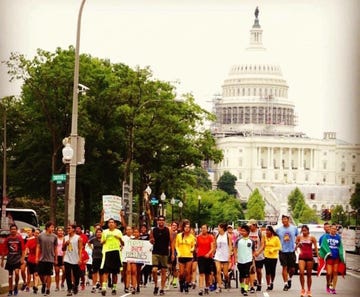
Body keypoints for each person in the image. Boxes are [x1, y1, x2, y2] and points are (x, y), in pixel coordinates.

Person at [318, 223, 345, 294]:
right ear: (330, 229)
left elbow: (340, 246)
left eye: (335, 229)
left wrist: (341, 255)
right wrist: (328, 252)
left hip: (336, 257)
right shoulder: (326, 237)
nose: (334, 230)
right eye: (333, 229)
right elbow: (323, 246)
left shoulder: (338, 237)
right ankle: (328, 284)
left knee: (335, 272)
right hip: (329, 257)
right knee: (329, 273)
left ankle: (333, 288)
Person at [100, 218, 124, 296]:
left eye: (112, 222)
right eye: (109, 222)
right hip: (107, 252)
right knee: (106, 271)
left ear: (115, 224)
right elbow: (101, 242)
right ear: (108, 224)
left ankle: (114, 288)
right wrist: (104, 240)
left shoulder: (118, 232)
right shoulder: (105, 232)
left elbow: (123, 243)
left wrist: (119, 238)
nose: (111, 224)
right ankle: (104, 288)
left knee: (115, 273)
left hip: (116, 252)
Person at [1, 224, 25, 296]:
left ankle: (16, 286)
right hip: (10, 259)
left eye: (14, 229)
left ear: (16, 230)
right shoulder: (8, 239)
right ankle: (10, 290)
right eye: (12, 229)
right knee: (10, 276)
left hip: (17, 259)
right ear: (10, 230)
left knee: (17, 273)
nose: (13, 230)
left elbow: (23, 250)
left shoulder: (19, 238)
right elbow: (4, 250)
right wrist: (2, 261)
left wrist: (22, 258)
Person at [276, 214, 298, 291]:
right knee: (284, 267)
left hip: (291, 251)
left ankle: (289, 279)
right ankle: (285, 284)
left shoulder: (294, 228)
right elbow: (276, 239)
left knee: (292, 269)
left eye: (285, 219)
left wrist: (297, 245)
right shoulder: (278, 230)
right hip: (282, 251)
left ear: (288, 220)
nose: (284, 221)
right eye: (283, 219)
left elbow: (298, 238)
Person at [149, 215, 170, 296]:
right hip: (155, 252)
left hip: (164, 252)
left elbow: (171, 241)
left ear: (164, 221)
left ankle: (162, 288)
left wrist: (172, 254)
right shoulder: (154, 230)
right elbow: (151, 239)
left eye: (162, 220)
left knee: (163, 271)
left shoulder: (168, 230)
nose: (161, 221)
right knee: (154, 270)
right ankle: (156, 286)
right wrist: (151, 240)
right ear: (157, 221)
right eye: (159, 220)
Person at [295, 225, 318, 297]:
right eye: (303, 230)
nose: (304, 232)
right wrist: (298, 245)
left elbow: (316, 248)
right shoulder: (299, 237)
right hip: (302, 257)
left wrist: (318, 257)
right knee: (301, 272)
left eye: (305, 230)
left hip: (309, 258)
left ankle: (309, 290)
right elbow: (295, 248)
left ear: (308, 231)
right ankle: (302, 289)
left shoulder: (312, 238)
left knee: (309, 274)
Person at [36, 221, 58, 296]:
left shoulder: (55, 236)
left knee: (49, 274)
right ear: (47, 227)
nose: (53, 228)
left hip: (50, 258)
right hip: (42, 258)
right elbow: (38, 247)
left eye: (53, 227)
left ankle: (48, 289)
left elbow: (55, 248)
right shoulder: (40, 236)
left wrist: (56, 258)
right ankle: (43, 283)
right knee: (40, 274)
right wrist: (36, 257)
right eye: (52, 227)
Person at [175, 219, 196, 293]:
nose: (187, 228)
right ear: (183, 228)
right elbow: (176, 245)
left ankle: (186, 285)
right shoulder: (179, 236)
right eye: (186, 227)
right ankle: (181, 282)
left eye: (188, 227)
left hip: (189, 256)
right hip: (181, 256)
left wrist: (192, 249)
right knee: (181, 273)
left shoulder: (192, 237)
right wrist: (178, 252)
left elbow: (194, 245)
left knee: (187, 271)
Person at [234, 224, 255, 296]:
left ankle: (246, 289)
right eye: (241, 231)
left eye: (244, 231)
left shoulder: (251, 240)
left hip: (248, 260)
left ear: (248, 232)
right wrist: (236, 258)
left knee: (247, 275)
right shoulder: (238, 240)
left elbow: (253, 251)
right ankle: (242, 287)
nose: (242, 232)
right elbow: (235, 249)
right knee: (241, 276)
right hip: (240, 260)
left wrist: (253, 261)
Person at [63, 224, 83, 296]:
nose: (68, 229)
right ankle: (69, 289)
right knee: (67, 274)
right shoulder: (65, 237)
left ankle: (76, 286)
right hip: (67, 258)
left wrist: (80, 258)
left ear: (73, 229)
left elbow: (80, 249)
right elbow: (63, 249)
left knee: (76, 275)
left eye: (69, 228)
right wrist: (65, 244)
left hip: (75, 258)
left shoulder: (78, 238)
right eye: (67, 228)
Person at [213, 222, 233, 293]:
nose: (217, 228)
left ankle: (227, 281)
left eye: (218, 227)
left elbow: (230, 246)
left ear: (222, 228)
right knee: (218, 271)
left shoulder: (228, 236)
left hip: (225, 256)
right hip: (218, 255)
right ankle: (219, 286)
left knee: (225, 274)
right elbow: (214, 245)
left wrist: (230, 254)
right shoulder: (217, 235)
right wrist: (213, 252)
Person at [196, 224, 215, 296]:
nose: (203, 229)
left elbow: (212, 247)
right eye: (202, 228)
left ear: (207, 229)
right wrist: (196, 250)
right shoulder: (198, 237)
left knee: (207, 274)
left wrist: (208, 253)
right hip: (200, 257)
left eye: (205, 228)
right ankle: (201, 288)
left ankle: (206, 287)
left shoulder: (210, 237)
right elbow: (196, 246)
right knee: (201, 273)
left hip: (208, 257)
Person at [248, 219, 265, 292]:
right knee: (250, 270)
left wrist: (258, 252)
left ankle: (259, 283)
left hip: (258, 255)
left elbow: (263, 244)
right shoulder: (248, 233)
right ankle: (250, 285)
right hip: (249, 254)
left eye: (250, 226)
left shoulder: (260, 233)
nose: (249, 227)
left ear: (254, 225)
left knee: (258, 270)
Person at [263, 225, 281, 291]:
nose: (266, 232)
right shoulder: (264, 237)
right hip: (266, 256)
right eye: (266, 230)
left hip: (274, 257)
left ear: (271, 231)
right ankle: (268, 285)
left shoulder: (276, 238)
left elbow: (279, 247)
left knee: (272, 271)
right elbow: (263, 245)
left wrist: (273, 249)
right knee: (267, 271)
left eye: (268, 230)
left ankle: (272, 282)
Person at [25, 228, 40, 294]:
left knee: (36, 274)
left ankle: (35, 286)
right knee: (29, 274)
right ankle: (28, 286)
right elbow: (26, 249)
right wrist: (23, 258)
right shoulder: (30, 241)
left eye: (38, 233)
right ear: (34, 233)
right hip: (30, 260)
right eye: (36, 233)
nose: (37, 234)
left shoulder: (42, 241)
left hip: (38, 260)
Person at [89, 228, 103, 293]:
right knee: (94, 272)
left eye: (100, 232)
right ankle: (94, 286)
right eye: (97, 232)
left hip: (102, 258)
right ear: (96, 233)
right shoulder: (93, 239)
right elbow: (88, 242)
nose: (99, 233)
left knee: (101, 273)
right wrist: (92, 248)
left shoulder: (104, 239)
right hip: (95, 257)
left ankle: (101, 286)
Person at [139, 223, 152, 288]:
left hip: (147, 254)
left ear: (146, 229)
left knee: (146, 269)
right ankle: (140, 280)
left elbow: (151, 242)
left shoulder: (148, 235)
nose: (143, 229)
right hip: (140, 254)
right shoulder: (138, 235)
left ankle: (145, 282)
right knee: (140, 268)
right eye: (142, 228)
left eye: (144, 228)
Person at [54, 227, 66, 291]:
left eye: (61, 231)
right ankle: (57, 286)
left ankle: (62, 283)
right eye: (59, 230)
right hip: (56, 256)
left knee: (64, 271)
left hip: (63, 256)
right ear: (57, 232)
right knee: (57, 272)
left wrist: (64, 257)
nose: (60, 232)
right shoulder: (55, 238)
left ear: (63, 232)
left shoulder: (65, 238)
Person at [169, 221, 179, 289]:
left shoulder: (178, 234)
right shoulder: (168, 232)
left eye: (175, 225)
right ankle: (170, 276)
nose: (174, 226)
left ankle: (175, 280)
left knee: (174, 266)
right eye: (173, 225)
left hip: (175, 250)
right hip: (168, 250)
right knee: (169, 266)